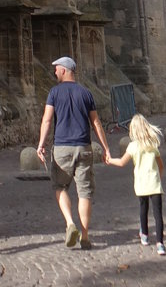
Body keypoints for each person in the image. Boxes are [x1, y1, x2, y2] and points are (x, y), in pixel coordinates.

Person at [36, 55, 110, 249]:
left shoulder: (53, 93)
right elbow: (96, 123)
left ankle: (70, 223)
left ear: (65, 70)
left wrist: (41, 144)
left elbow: (47, 120)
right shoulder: (86, 93)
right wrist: (106, 147)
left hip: (62, 148)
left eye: (57, 69)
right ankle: (85, 236)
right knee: (85, 193)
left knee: (60, 187)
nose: (54, 72)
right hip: (84, 147)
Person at [109, 114, 166, 255]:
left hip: (141, 184)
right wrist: (159, 176)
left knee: (143, 209)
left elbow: (122, 162)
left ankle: (145, 235)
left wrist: (109, 160)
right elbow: (161, 165)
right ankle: (160, 244)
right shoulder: (152, 144)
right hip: (154, 183)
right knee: (158, 214)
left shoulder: (133, 146)